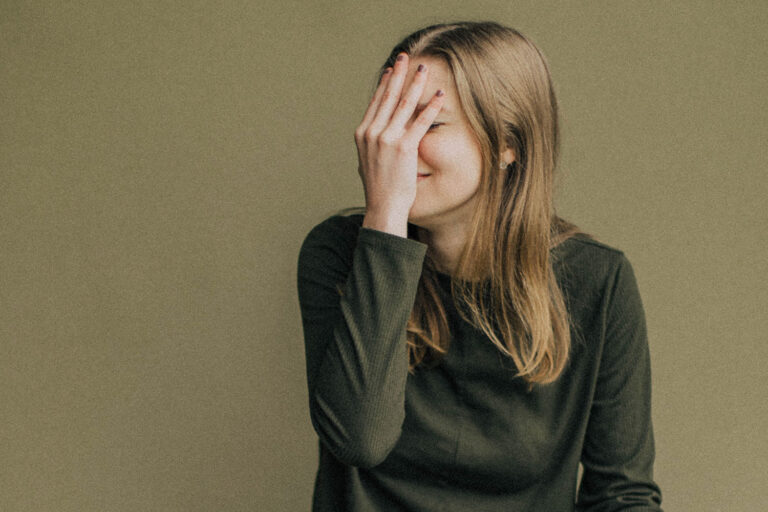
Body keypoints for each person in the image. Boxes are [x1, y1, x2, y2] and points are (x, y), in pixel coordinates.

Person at [296, 21, 663, 511]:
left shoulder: (598, 281)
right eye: (389, 120)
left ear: (508, 142)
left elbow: (623, 494)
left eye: (427, 123)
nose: (395, 147)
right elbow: (360, 440)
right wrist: (384, 219)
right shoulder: (340, 254)